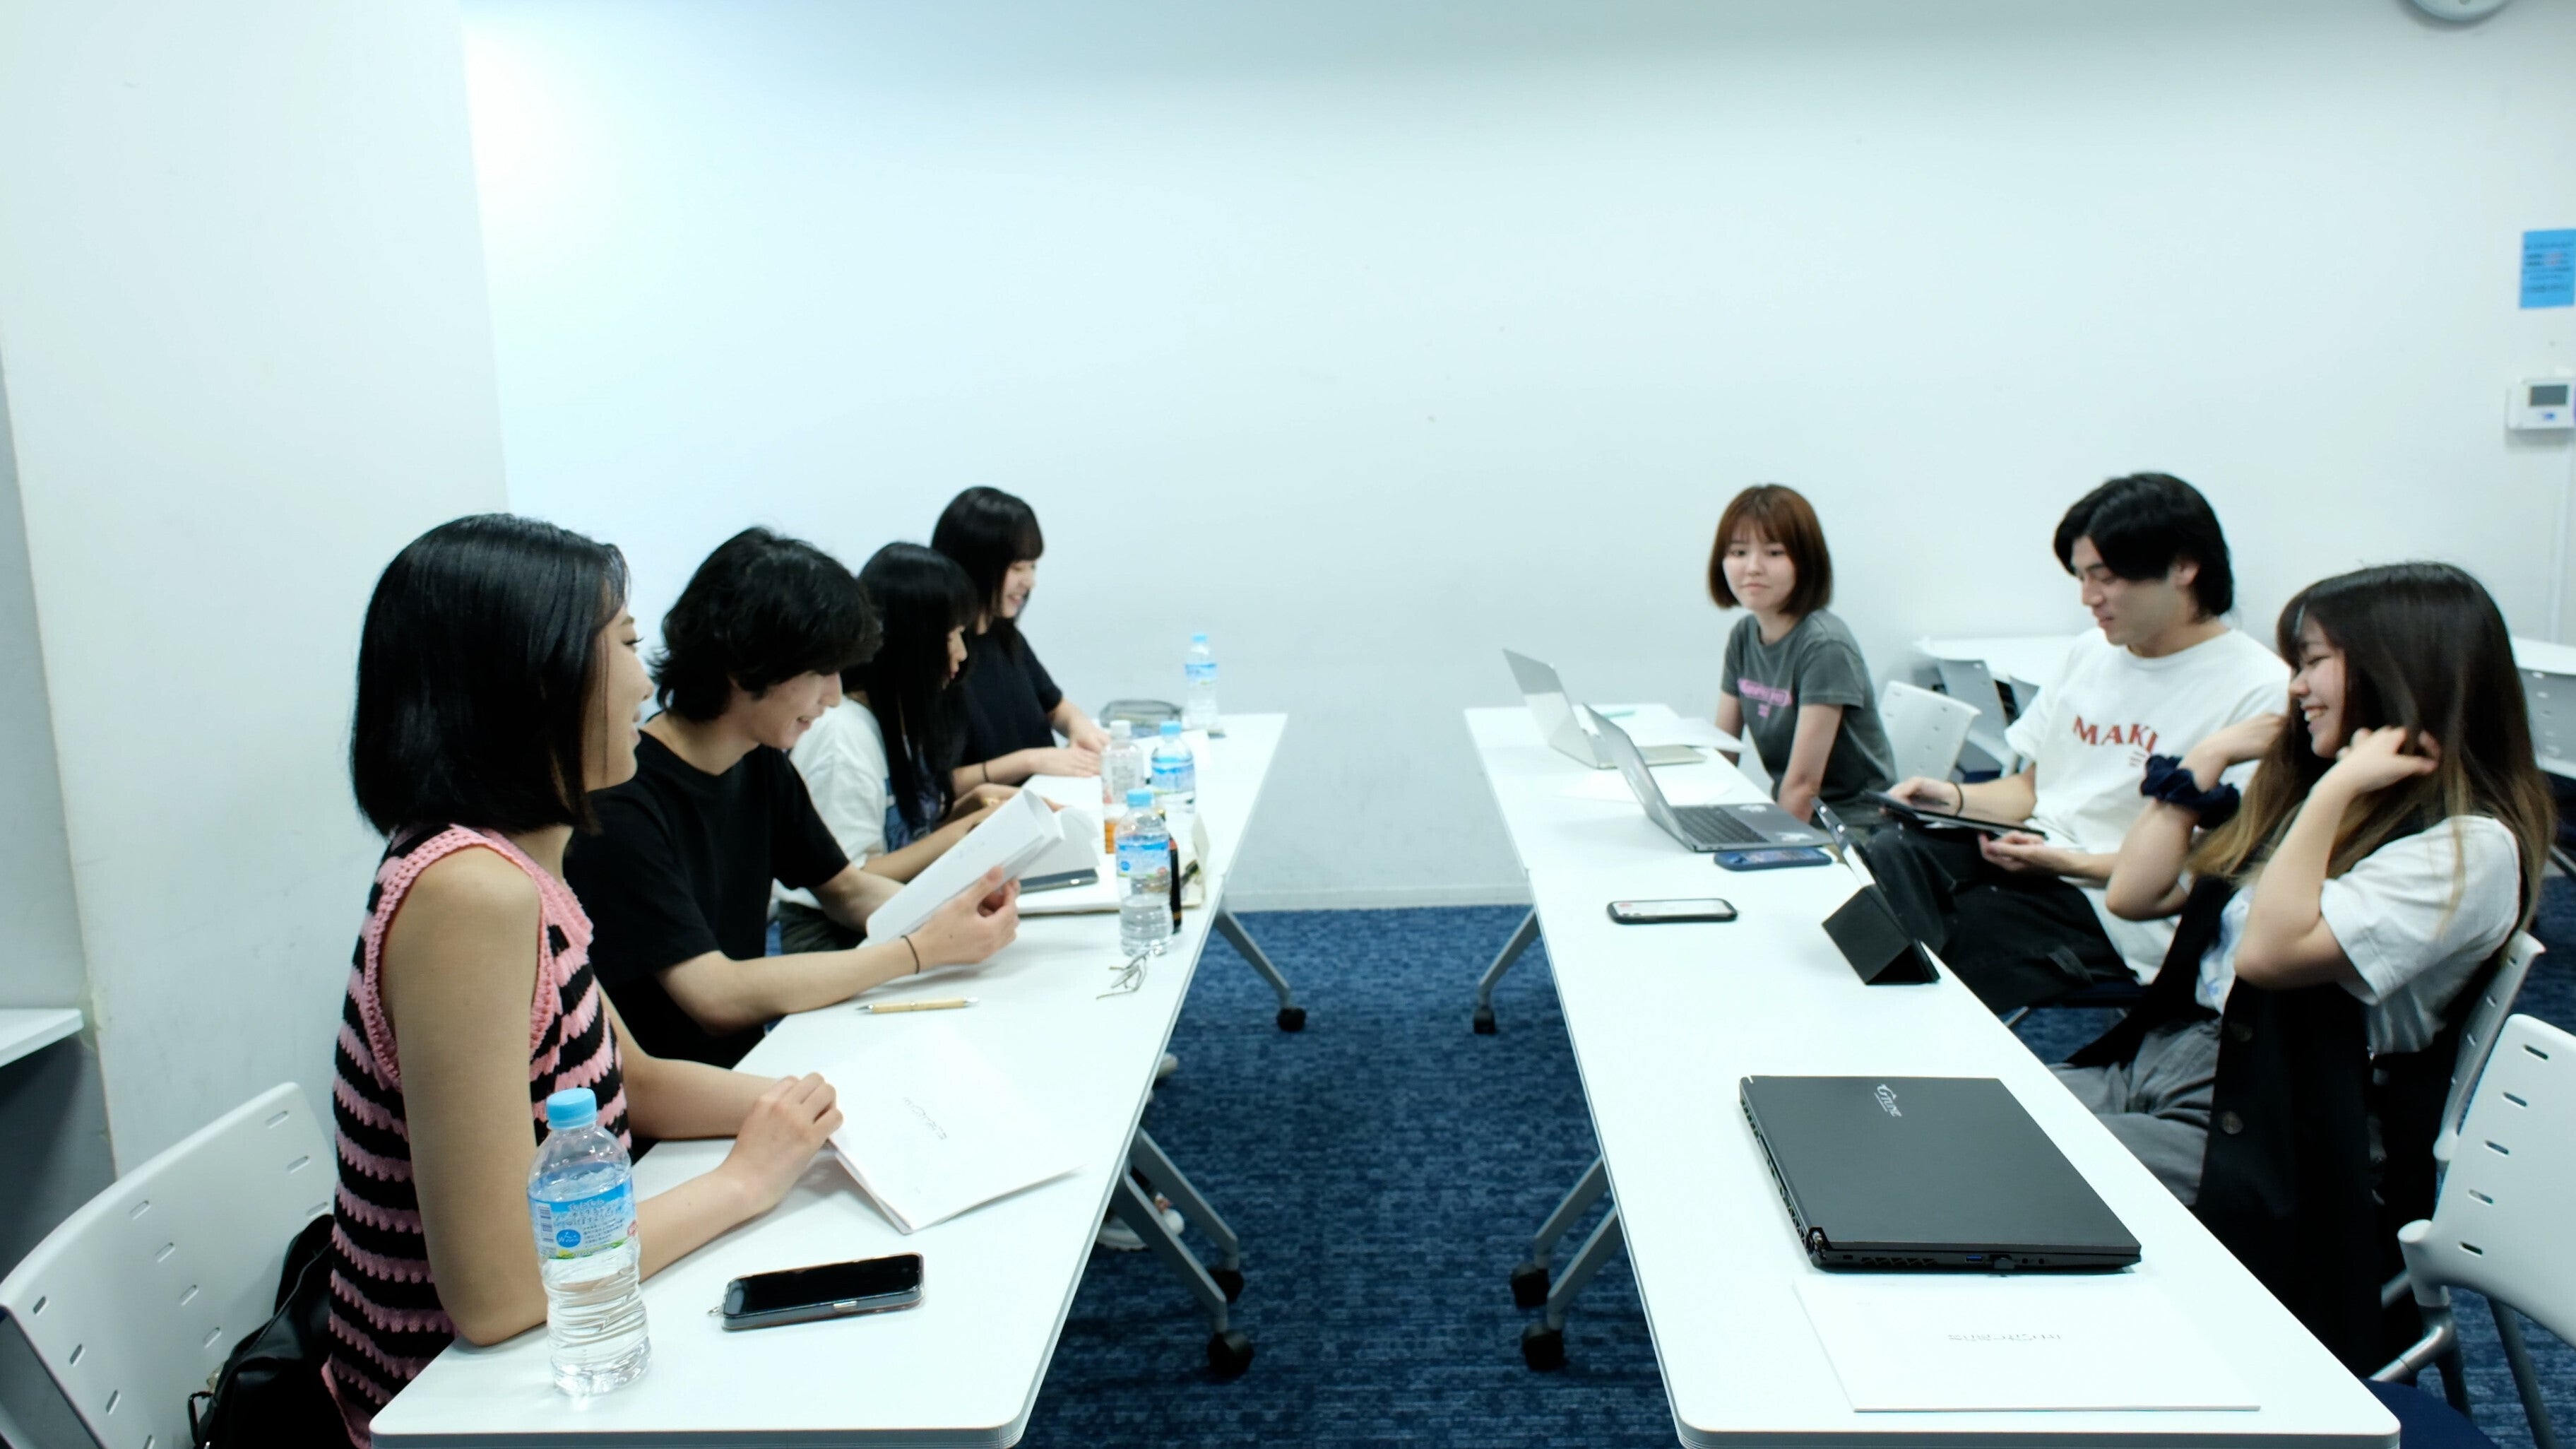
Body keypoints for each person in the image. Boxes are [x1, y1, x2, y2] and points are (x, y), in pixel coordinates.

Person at [326, 515, 847, 1443]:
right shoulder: (467, 894)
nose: (646, 682)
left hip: (558, 1348)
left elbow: (632, 1080)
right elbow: (496, 1292)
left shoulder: (519, 867)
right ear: (536, 677)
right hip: (461, 1403)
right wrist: (741, 1182)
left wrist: (817, 1111)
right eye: (626, 644)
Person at [2055, 562, 2550, 1367]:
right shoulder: (2325, 790)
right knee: (1975, 1124)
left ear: (2396, 671)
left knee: (2016, 1169)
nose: (2295, 687)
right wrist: (2213, 753)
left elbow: (2269, 954)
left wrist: (2330, 792)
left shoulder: (2467, 847)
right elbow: (2134, 894)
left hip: (2281, 1120)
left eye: (2313, 661)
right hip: (2176, 1056)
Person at [566, 528, 1019, 1067]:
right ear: (746, 665)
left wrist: (948, 911)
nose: (833, 696)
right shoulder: (623, 801)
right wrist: (920, 950)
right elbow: (714, 994)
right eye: (819, 672)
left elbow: (846, 888)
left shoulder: (757, 759)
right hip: (681, 1095)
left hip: (753, 1061)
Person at [1864, 473, 2288, 1012]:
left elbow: (2210, 867)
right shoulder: (2090, 652)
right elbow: (2034, 786)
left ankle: (1911, 1021)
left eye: (2105, 577)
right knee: (1886, 852)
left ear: (2183, 567)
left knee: (1941, 945)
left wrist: (2064, 862)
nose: (2089, 597)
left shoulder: (2259, 690)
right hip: (2037, 859)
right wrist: (1953, 798)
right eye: (2082, 577)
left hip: (2115, 908)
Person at [778, 543, 1020, 954]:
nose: (961, 654)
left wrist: (971, 807)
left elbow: (904, 843)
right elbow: (848, 882)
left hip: (893, 915)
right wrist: (964, 833)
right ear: (909, 642)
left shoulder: (900, 720)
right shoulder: (843, 736)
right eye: (950, 636)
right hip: (833, 937)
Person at [1707, 484, 1897, 829]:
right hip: (1797, 817)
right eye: (1738, 552)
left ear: (1806, 561)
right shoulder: (1743, 636)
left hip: (1851, 827)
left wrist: (1775, 850)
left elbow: (1802, 787)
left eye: (1774, 552)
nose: (1753, 567)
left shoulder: (1824, 645)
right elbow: (1723, 753)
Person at [932, 486, 1110, 788]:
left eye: (1032, 567)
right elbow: (935, 788)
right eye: (1017, 568)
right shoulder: (943, 658)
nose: (1030, 582)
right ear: (974, 565)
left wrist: (1079, 725)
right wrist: (1030, 762)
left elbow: (1054, 705)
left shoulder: (1004, 635)